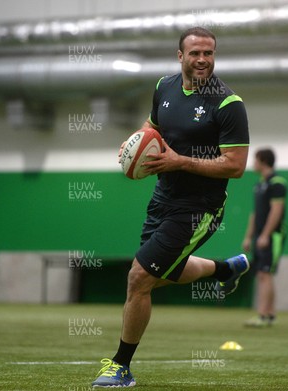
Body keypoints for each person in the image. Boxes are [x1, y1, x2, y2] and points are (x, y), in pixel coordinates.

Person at [92, 27, 250, 388]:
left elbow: (235, 165)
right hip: (162, 198)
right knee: (168, 272)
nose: (202, 60)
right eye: (195, 53)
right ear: (180, 56)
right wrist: (134, 142)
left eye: (208, 53)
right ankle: (224, 270)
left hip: (199, 208)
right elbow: (153, 127)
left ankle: (121, 367)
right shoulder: (164, 87)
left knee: (139, 278)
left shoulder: (228, 104)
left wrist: (181, 162)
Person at [242, 148, 287, 327]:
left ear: (262, 161)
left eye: (255, 159)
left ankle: (262, 315)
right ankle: (270, 314)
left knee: (264, 273)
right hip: (260, 236)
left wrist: (266, 235)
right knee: (263, 273)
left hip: (273, 236)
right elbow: (255, 214)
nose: (253, 163)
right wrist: (248, 237)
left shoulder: (277, 183)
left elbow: (277, 211)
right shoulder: (259, 184)